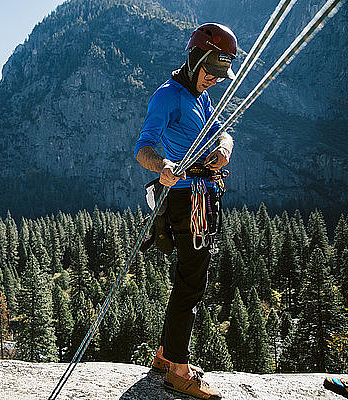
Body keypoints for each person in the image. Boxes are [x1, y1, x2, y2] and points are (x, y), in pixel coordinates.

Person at [134, 23, 237, 400]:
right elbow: (142, 146)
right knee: (192, 281)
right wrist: (161, 166)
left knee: (188, 278)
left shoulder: (202, 97)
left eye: (220, 74)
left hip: (203, 194)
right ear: (195, 59)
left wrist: (224, 146)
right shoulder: (169, 95)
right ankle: (178, 368)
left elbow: (221, 131)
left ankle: (165, 354)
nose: (214, 79)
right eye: (211, 70)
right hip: (184, 197)